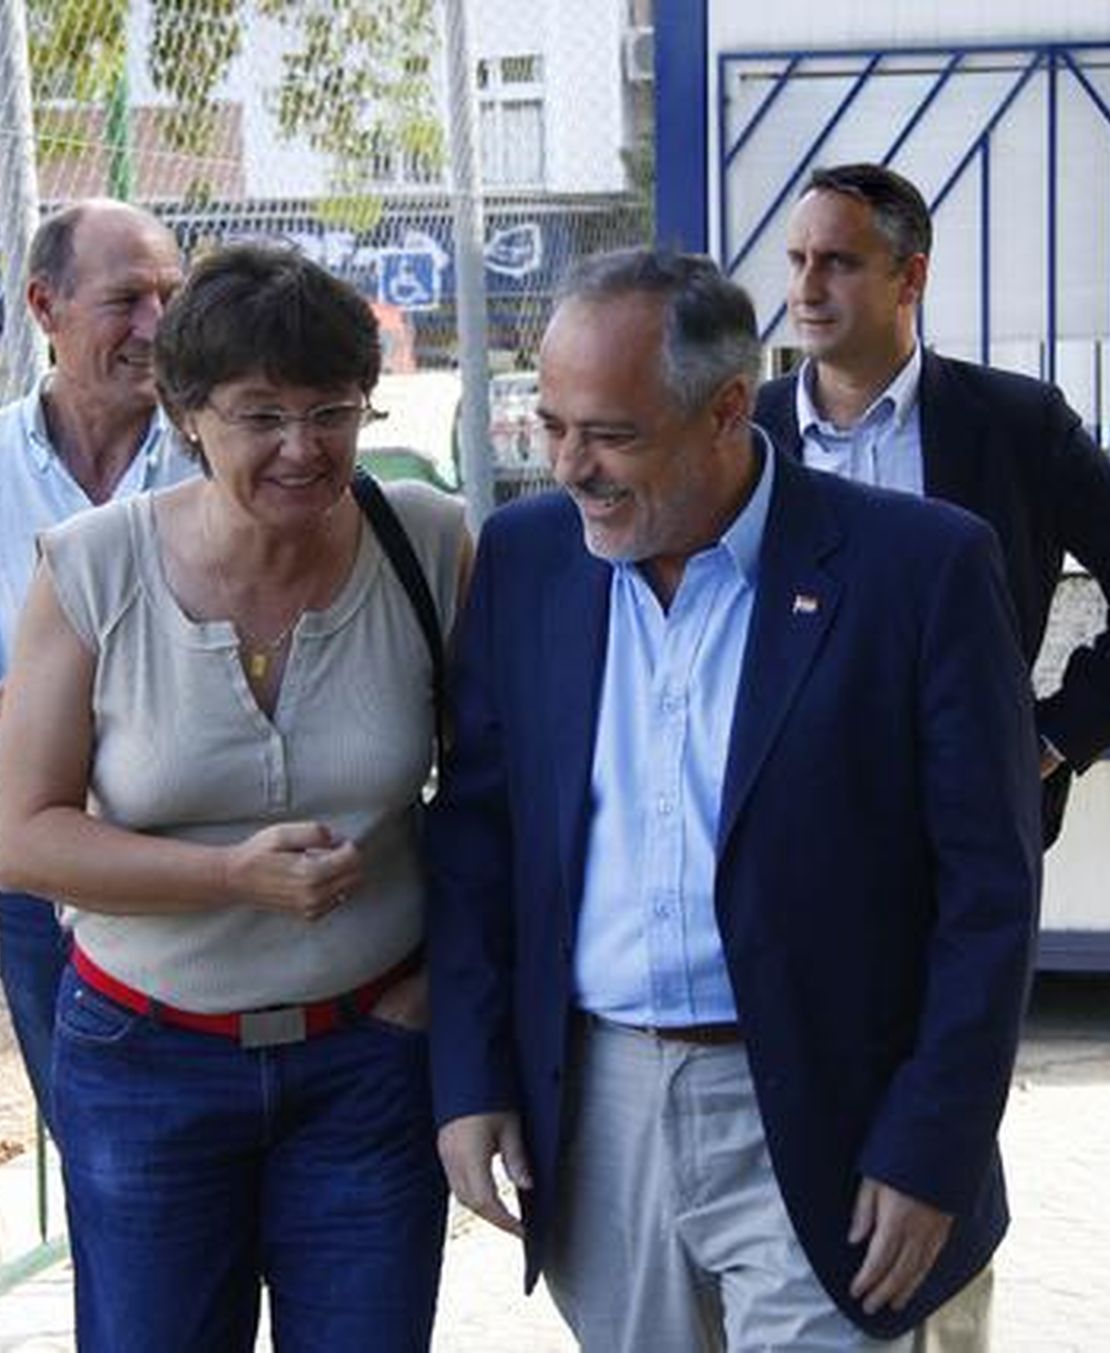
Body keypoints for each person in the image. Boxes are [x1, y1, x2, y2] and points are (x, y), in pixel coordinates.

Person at [429, 247, 1041, 1350]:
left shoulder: (917, 569)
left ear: (722, 411)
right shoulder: (527, 559)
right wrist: (470, 1073)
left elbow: (987, 891)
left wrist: (933, 1142)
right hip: (599, 1106)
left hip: (829, 1105)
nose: (569, 467)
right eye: (552, 425)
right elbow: (480, 833)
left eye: (609, 434)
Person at [0, 242, 467, 1351]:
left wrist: (443, 981)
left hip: (366, 1060)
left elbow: (502, 795)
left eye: (333, 412)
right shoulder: (91, 568)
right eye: (261, 416)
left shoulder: (428, 544)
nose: (304, 449)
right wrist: (229, 880)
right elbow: (23, 839)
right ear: (187, 415)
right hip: (146, 1060)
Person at [755, 162, 1110, 848]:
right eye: (797, 261)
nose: (805, 289)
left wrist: (1054, 738)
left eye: (838, 263)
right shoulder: (742, 437)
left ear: (912, 278)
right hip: (784, 829)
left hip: (960, 826)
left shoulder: (1016, 427)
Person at [0, 199, 192, 1126]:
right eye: (128, 300)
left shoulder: (219, 456)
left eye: (173, 297)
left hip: (206, 863)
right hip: (48, 883)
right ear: (42, 305)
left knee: (213, 1171)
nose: (159, 327)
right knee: (100, 1171)